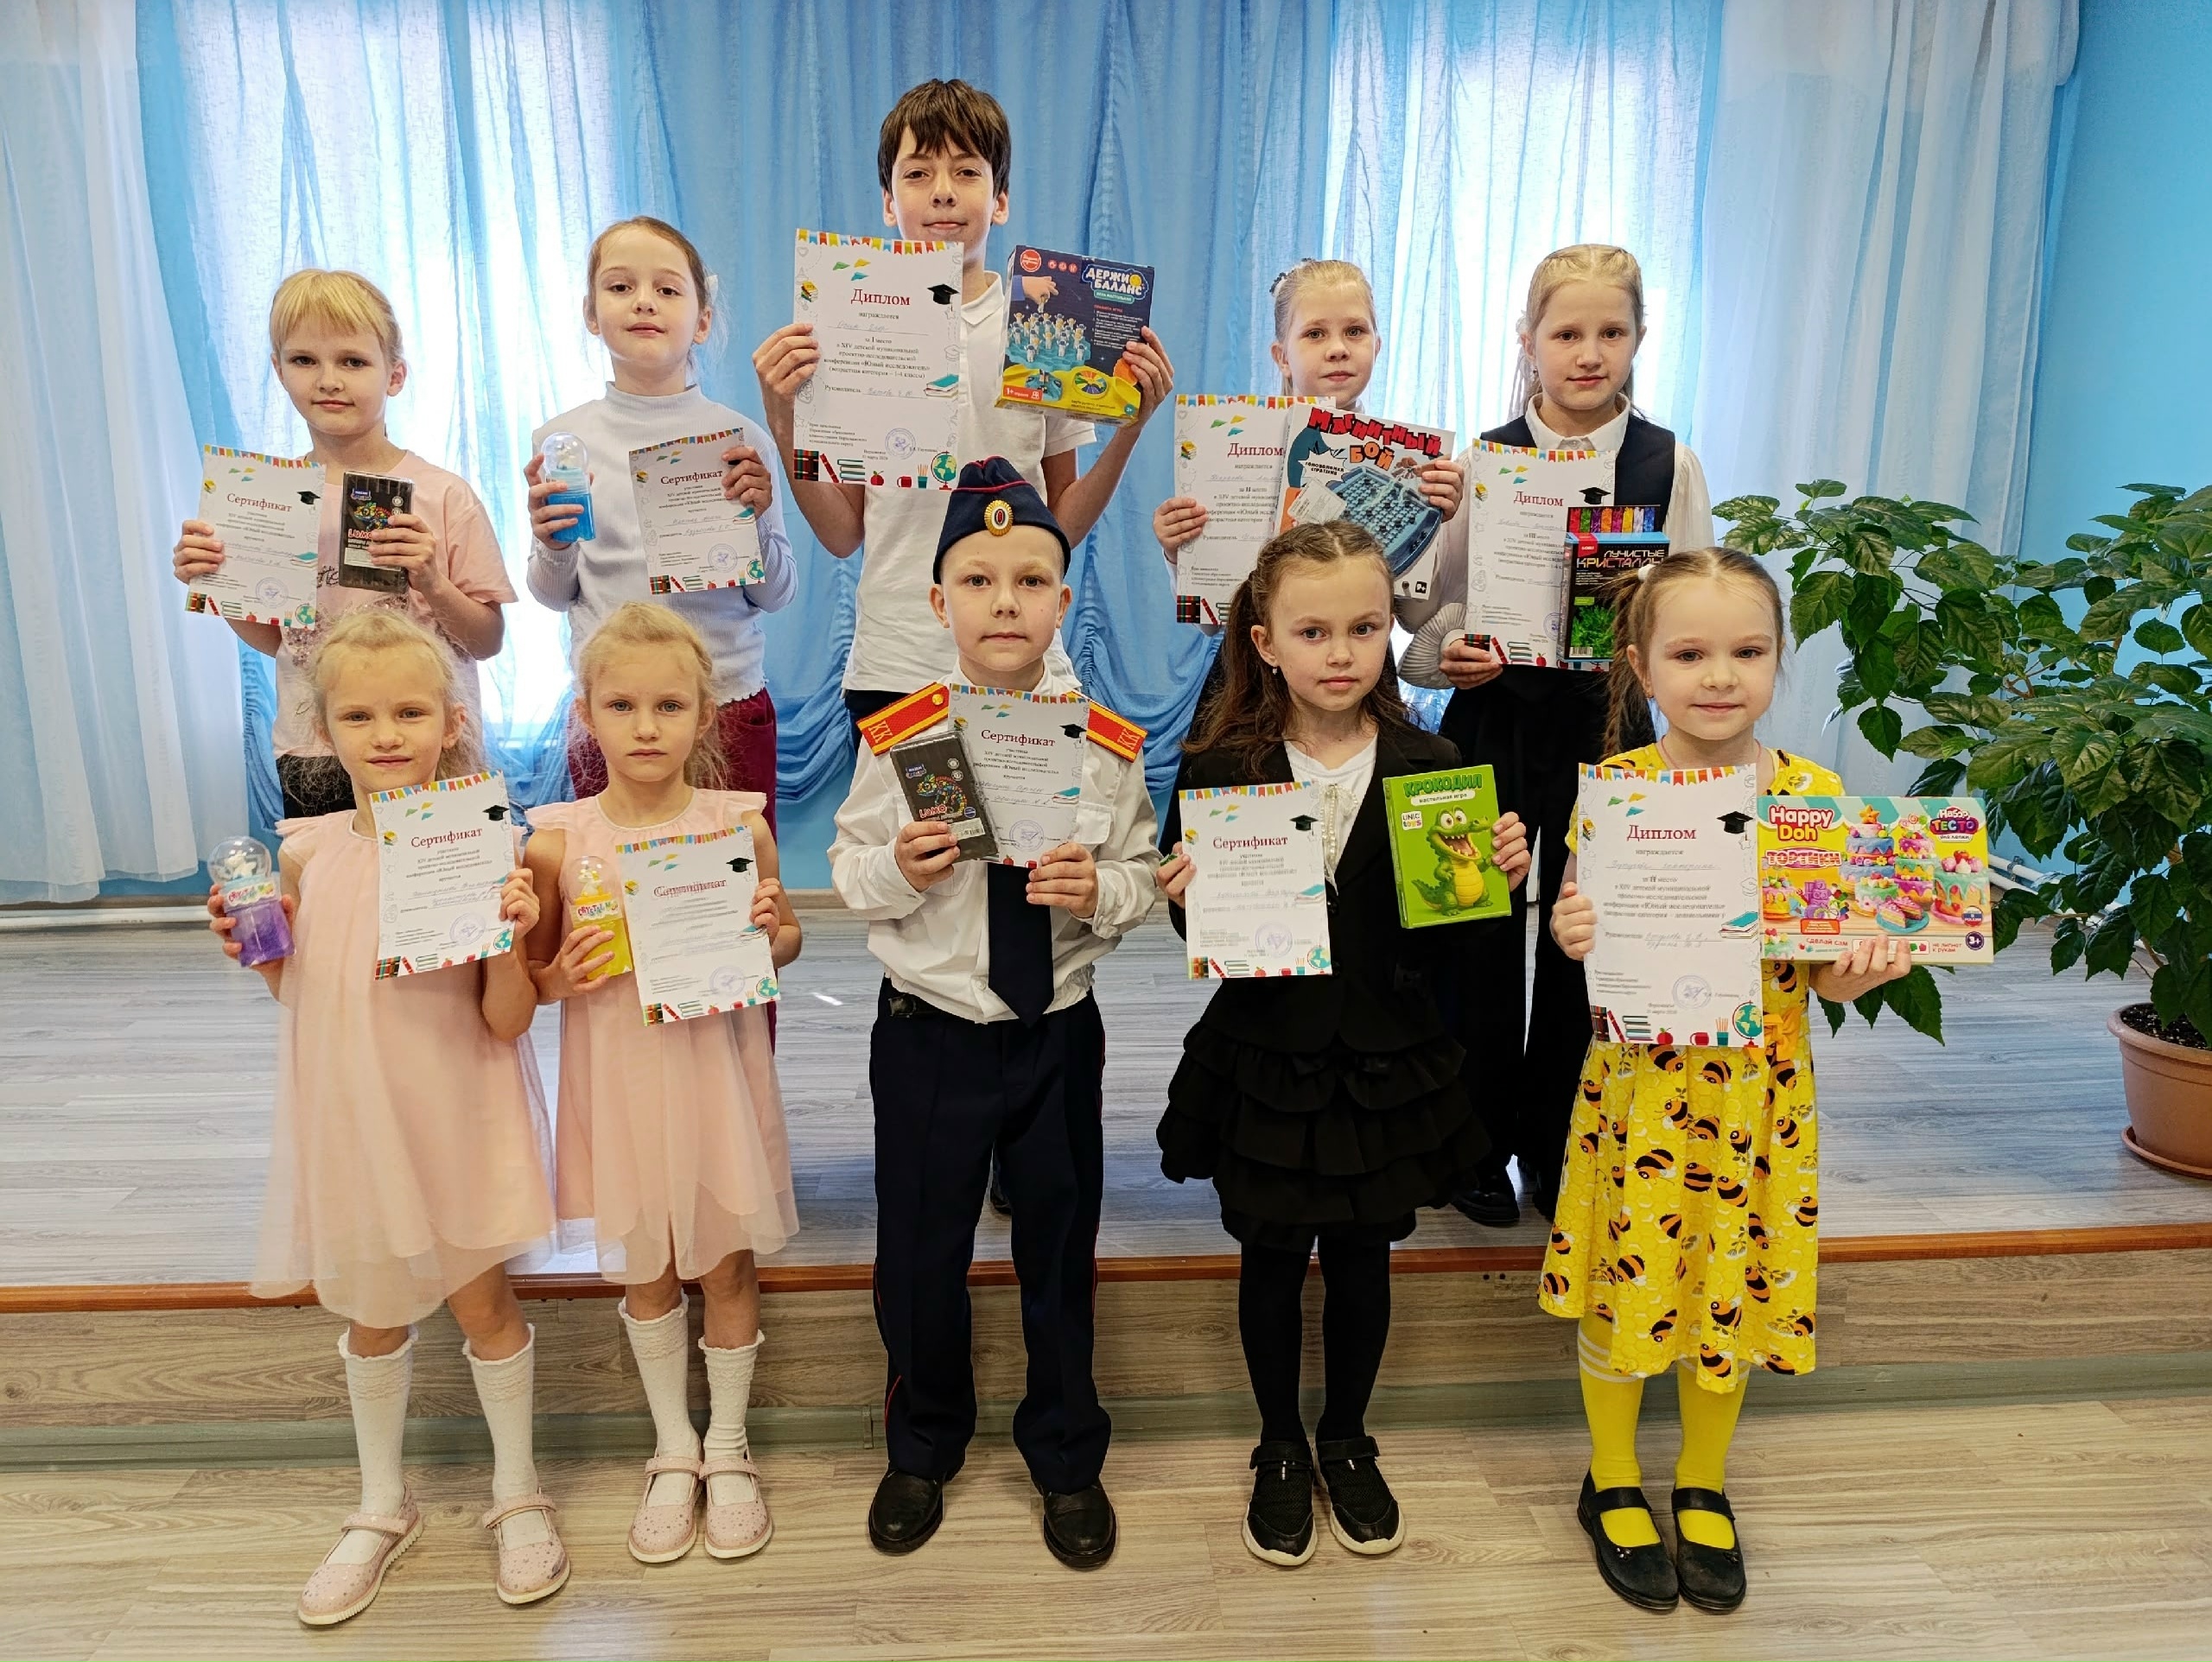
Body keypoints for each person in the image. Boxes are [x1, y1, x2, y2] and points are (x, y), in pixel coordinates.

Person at [1154, 520, 1529, 1568]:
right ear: (1265, 641)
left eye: (1364, 628)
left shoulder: (1434, 763)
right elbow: (1208, 932)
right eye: (1312, 631)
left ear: (1386, 632)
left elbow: (1453, 939)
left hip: (1386, 1058)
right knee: (1270, 1257)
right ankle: (1279, 1442)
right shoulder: (1220, 766)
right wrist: (1183, 900)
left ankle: (1346, 1436)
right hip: (1265, 1053)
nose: (1340, 652)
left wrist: (1497, 882)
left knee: (1365, 1257)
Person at [1544, 548, 1910, 1614]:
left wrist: (1862, 964)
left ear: (1778, 658)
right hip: (1642, 1092)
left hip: (1759, 1099)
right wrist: (1571, 929)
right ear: (1640, 666)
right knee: (1625, 1280)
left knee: (1729, 1280)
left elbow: (1826, 974)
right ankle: (1612, 1476)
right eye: (1689, 653)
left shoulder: (1811, 797)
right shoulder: (1615, 792)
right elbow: (1577, 923)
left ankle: (1701, 1479)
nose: (1718, 676)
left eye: (1746, 651)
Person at [828, 458, 1158, 1570]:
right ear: (939, 601)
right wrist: (900, 867)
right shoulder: (904, 736)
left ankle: (1065, 1452)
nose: (1004, 601)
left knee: (1059, 1250)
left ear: (1063, 600)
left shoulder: (1104, 742)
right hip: (929, 1031)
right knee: (920, 1252)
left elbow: (1139, 877)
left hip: (1054, 1027)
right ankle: (924, 1440)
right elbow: (850, 870)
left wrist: (1097, 891)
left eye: (1029, 581)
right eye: (977, 580)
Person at [207, 610, 562, 1624]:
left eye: (410, 711)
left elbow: (506, 1021)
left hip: (456, 1112)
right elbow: (303, 997)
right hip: (356, 1117)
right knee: (372, 1313)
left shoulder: (483, 846)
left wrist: (511, 938)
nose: (386, 733)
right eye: (358, 716)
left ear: (453, 722)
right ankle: (380, 1502)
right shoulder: (306, 857)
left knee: (484, 1305)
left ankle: (518, 1489)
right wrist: (256, 951)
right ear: (323, 731)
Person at [1400, 243, 1718, 1227]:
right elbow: (1421, 616)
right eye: (1567, 332)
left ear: (1639, 339)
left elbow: (1696, 610)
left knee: (1590, 934)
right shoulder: (1481, 461)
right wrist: (1453, 649)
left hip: (1610, 728)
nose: (1589, 353)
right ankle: (1470, 1147)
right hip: (1487, 719)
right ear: (1527, 341)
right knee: (1469, 925)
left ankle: (1558, 1145)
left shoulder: (1668, 462)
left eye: (1610, 332)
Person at [752, 78, 1175, 730]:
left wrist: (1129, 428)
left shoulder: (1040, 330)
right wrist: (782, 419)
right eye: (918, 173)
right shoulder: (850, 329)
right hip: (895, 665)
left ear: (999, 200)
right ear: (889, 201)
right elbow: (842, 534)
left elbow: (1060, 525)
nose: (943, 191)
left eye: (967, 171)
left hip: (1023, 659)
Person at [522, 603, 801, 1566]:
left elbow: (787, 940)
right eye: (622, 705)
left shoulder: (737, 825)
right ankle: (673, 1446)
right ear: (586, 715)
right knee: (644, 1268)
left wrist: (771, 930)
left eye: (670, 706)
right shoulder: (556, 843)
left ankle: (728, 1445)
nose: (646, 727)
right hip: (620, 1084)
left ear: (705, 715)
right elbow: (533, 978)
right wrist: (559, 976)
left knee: (726, 1263)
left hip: (713, 1077)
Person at [171, 269, 513, 820]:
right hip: (316, 746)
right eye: (305, 360)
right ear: (279, 371)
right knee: (329, 874)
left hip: (432, 746)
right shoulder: (268, 499)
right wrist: (220, 583)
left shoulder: (445, 494)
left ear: (394, 375)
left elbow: (488, 639)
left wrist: (432, 582)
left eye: (352, 361)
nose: (329, 380)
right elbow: (278, 642)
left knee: (443, 876)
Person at [525, 217, 798, 826]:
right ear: (590, 313)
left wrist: (755, 522)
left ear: (702, 320)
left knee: (737, 875)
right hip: (615, 711)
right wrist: (553, 544)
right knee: (613, 876)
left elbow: (777, 595)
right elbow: (553, 594)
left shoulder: (739, 439)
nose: (644, 301)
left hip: (724, 702)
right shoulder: (562, 443)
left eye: (668, 289)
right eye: (621, 287)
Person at [1152, 259, 1461, 716]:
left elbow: (1414, 617)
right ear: (1282, 356)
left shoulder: (1413, 466)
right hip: (1254, 687)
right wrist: (1178, 552)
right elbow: (1208, 624)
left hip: (1357, 684)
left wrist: (1436, 524)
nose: (1337, 349)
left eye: (1355, 331)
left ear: (1377, 346)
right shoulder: (1225, 449)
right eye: (1315, 333)